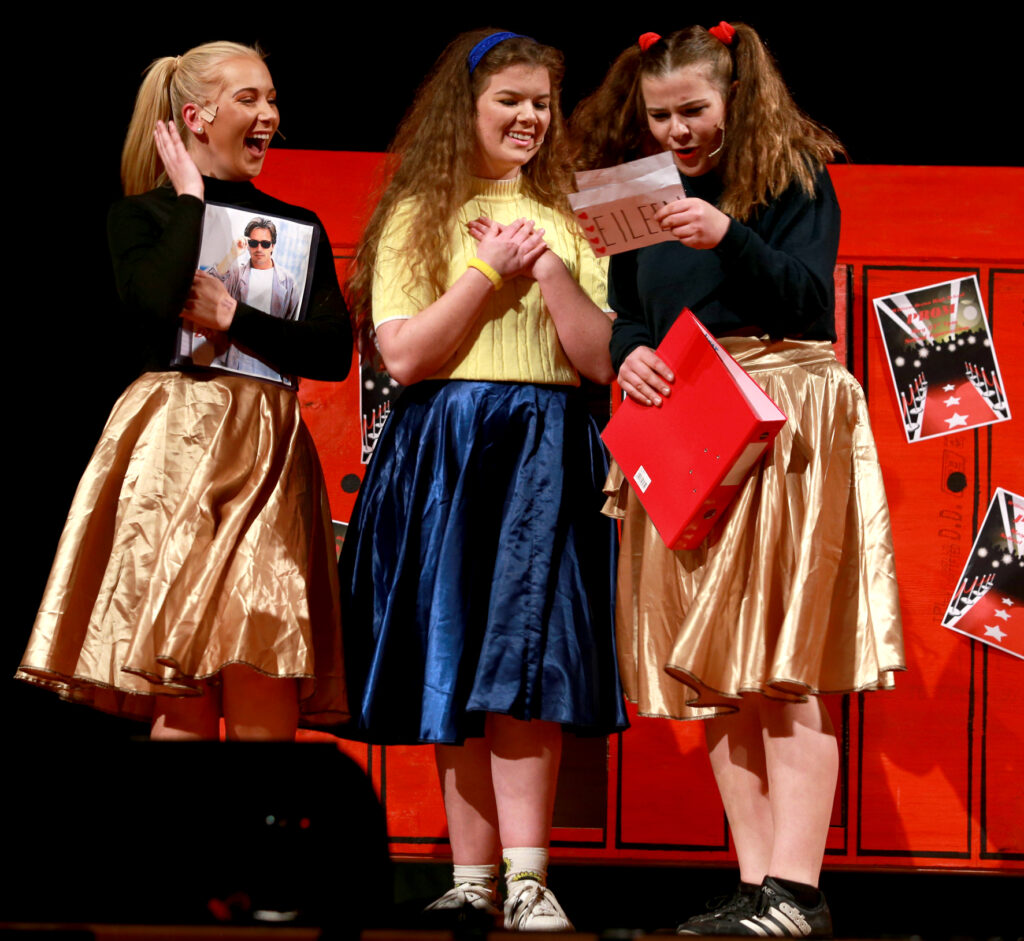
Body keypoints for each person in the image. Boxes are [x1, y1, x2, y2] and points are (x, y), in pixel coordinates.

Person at [570, 23, 904, 938]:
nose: (677, 131)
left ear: (733, 100)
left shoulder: (791, 174)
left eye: (693, 112)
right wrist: (632, 355)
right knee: (716, 669)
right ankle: (756, 882)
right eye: (660, 115)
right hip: (685, 419)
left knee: (784, 668)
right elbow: (631, 314)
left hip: (776, 414)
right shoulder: (638, 193)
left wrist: (727, 235)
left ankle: (798, 890)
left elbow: (808, 300)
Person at [340, 29, 627, 932]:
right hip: (446, 451)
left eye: (542, 101)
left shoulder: (574, 217)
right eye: (511, 99)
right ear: (465, 106)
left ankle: (530, 875)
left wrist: (542, 267)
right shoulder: (419, 209)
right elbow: (405, 353)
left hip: (545, 448)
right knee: (451, 652)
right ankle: (470, 878)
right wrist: (480, 270)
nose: (530, 117)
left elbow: (598, 361)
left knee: (526, 660)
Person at [17, 41, 351, 741]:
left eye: (272, 98)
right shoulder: (143, 215)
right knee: (182, 674)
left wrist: (238, 317)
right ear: (197, 117)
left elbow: (330, 352)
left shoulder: (298, 226)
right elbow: (152, 303)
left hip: (267, 445)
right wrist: (192, 198)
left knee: (261, 649)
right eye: (248, 100)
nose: (269, 115)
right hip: (176, 445)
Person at [221, 216, 300, 321]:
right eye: (253, 243)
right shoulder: (235, 274)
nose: (259, 249)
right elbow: (206, 288)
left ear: (273, 246)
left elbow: (292, 325)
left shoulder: (289, 282)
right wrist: (231, 255)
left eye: (265, 244)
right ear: (247, 245)